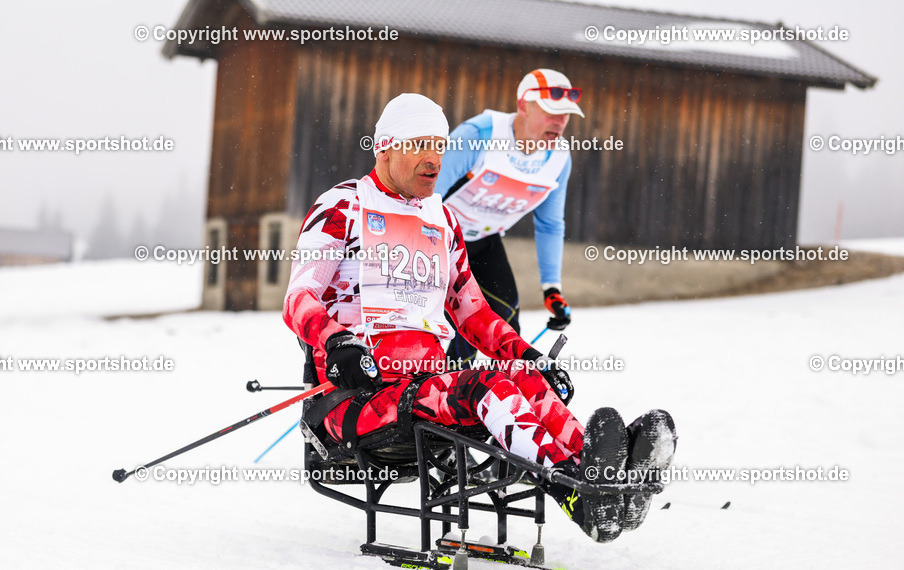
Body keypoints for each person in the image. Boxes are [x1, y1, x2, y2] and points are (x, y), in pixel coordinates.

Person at [283, 93, 673, 543]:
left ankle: (607, 481)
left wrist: (529, 357)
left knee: (524, 378)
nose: (434, 159)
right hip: (359, 400)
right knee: (485, 386)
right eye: (419, 145)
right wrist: (337, 342)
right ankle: (579, 491)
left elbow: (472, 311)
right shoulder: (342, 207)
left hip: (426, 388)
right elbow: (298, 298)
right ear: (385, 147)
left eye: (440, 146)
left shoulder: (443, 220)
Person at [435, 68, 581, 365]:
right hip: (442, 241)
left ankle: (504, 391)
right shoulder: (478, 136)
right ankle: (442, 391)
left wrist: (552, 289)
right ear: (523, 105)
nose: (559, 122)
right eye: (550, 112)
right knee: (462, 329)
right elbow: (424, 197)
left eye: (565, 114)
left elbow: (550, 223)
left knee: (507, 323)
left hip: (484, 241)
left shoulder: (559, 158)